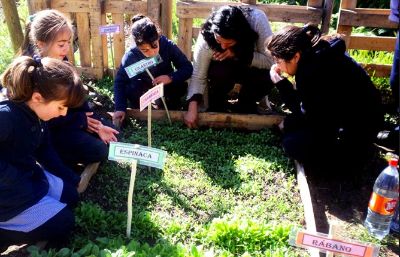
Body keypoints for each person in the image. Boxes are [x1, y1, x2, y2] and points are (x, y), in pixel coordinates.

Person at [20, 9, 119, 193]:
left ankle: (82, 143)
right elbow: (48, 120)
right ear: (41, 44)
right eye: (61, 44)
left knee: (113, 133)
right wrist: (81, 122)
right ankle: (64, 158)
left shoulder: (63, 62)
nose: (66, 49)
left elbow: (78, 99)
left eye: (68, 43)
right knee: (100, 150)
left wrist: (95, 124)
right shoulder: (34, 74)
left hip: (72, 121)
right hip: (55, 132)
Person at [266, 24, 384, 173]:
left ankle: (351, 161)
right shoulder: (320, 53)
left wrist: (280, 83)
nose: (277, 65)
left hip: (359, 127)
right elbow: (313, 106)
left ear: (296, 56)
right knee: (291, 127)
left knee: (292, 145)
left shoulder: (310, 72)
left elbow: (311, 115)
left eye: (278, 60)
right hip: (354, 116)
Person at [0, 56, 85, 247]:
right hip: (8, 197)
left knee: (71, 195)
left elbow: (44, 149)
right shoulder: (5, 117)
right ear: (37, 97)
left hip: (27, 180)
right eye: (61, 106)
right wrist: (15, 178)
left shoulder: (35, 114)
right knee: (64, 222)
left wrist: (68, 175)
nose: (63, 113)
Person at [184, 5, 274, 129]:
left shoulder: (257, 20)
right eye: (219, 41)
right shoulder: (207, 35)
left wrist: (238, 54)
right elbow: (198, 75)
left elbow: (271, 61)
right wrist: (192, 108)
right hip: (223, 73)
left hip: (251, 69)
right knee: (219, 71)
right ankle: (218, 102)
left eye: (229, 43)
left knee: (267, 77)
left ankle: (246, 103)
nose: (223, 47)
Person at [113, 14, 193, 126]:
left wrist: (170, 77)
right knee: (132, 89)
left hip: (166, 86)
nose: (151, 53)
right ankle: (145, 107)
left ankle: (169, 104)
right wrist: (120, 108)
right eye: (145, 50)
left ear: (158, 37)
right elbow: (120, 82)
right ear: (137, 46)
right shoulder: (131, 56)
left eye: (155, 46)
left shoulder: (167, 45)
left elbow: (187, 67)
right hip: (143, 89)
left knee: (179, 86)